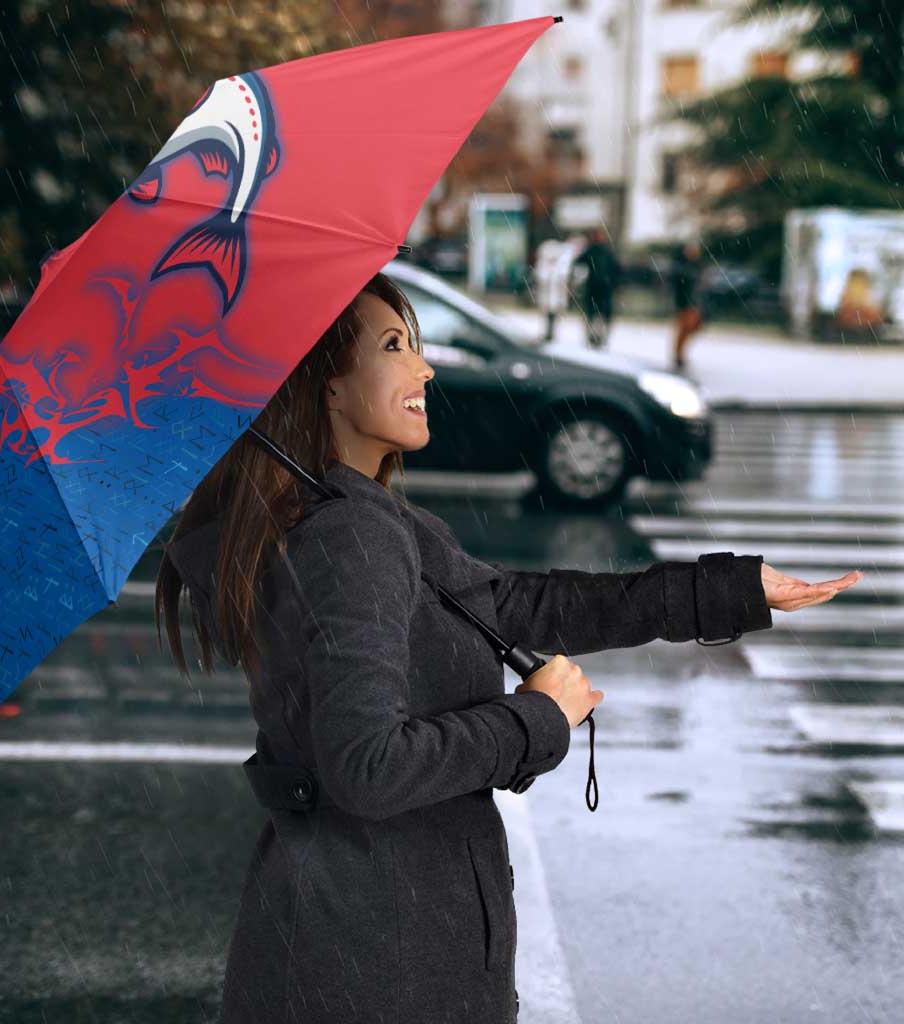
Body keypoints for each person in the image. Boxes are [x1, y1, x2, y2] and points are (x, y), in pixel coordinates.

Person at [155, 271, 854, 1024]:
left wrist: (730, 591)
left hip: (355, 943)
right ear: (325, 385)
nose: (424, 368)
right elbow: (367, 768)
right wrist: (536, 719)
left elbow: (519, 605)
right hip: (378, 963)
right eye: (394, 346)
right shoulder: (349, 536)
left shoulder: (354, 517)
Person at [572, 226, 622, 349]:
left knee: (600, 315)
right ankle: (593, 337)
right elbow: (578, 264)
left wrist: (615, 284)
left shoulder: (605, 252)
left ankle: (599, 337)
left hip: (603, 288)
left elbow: (616, 270)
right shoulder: (592, 251)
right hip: (595, 288)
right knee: (593, 314)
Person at [670, 239, 706, 370]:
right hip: (685, 303)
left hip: (694, 303)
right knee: (684, 329)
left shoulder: (697, 266)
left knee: (692, 328)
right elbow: (679, 286)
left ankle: (679, 354)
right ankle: (678, 355)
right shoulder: (682, 267)